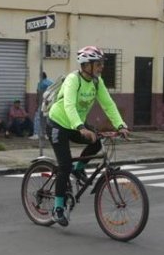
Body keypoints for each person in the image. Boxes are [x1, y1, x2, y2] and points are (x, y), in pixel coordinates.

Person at [46, 46, 130, 226]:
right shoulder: (73, 80)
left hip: (77, 125)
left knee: (96, 140)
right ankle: (58, 208)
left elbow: (109, 105)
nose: (101, 67)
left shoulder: (96, 83)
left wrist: (120, 125)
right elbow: (68, 105)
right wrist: (80, 127)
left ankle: (79, 168)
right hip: (58, 123)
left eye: (101, 64)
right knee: (65, 166)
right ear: (86, 65)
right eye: (98, 64)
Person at [30, 71, 52, 140]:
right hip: (50, 103)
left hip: (42, 103)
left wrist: (37, 104)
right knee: (47, 119)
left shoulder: (41, 83)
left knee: (38, 118)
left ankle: (36, 134)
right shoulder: (51, 82)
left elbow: (39, 94)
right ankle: (46, 134)